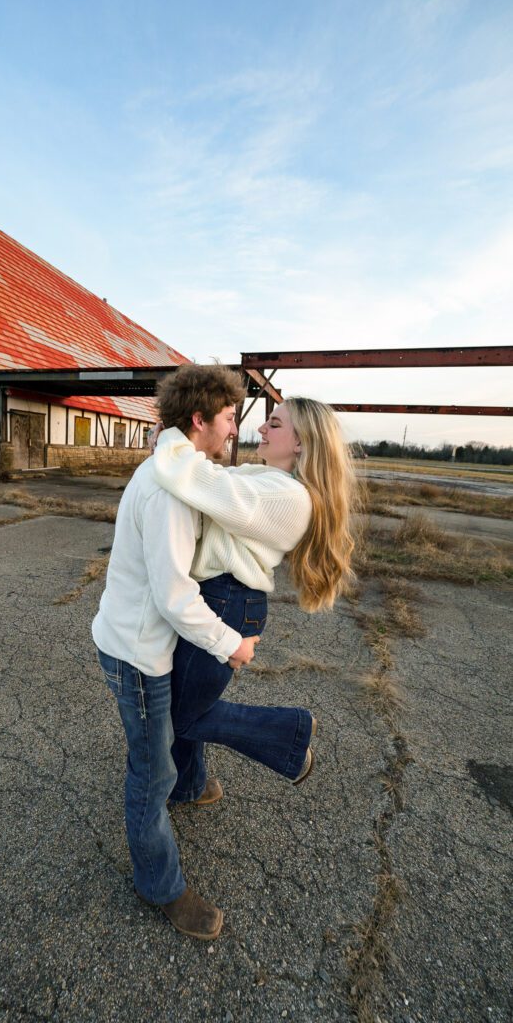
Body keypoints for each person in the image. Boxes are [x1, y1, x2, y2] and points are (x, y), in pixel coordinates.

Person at [91, 364, 260, 941]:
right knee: (150, 765)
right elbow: (171, 596)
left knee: (177, 727)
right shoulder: (169, 489)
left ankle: (190, 788)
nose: (235, 429)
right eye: (230, 417)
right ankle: (160, 887)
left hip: (142, 640)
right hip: (137, 653)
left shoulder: (182, 471)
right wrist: (229, 642)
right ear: (199, 420)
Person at [150, 395, 356, 807]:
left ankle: (288, 734)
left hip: (228, 600)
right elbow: (208, 472)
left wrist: (168, 438)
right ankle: (190, 786)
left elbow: (197, 479)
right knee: (186, 700)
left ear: (301, 442)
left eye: (274, 424)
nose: (260, 429)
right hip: (222, 596)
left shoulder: (287, 496)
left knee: (181, 714)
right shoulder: (264, 479)